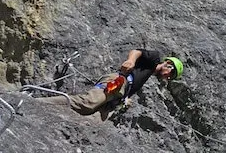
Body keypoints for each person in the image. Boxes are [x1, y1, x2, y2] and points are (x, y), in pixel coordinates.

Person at [42, 49, 182, 118]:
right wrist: (131, 61)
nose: (168, 78)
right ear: (168, 64)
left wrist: (126, 99)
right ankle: (36, 103)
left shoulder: (146, 73)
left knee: (94, 119)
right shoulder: (154, 59)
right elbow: (137, 51)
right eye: (171, 73)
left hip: (119, 92)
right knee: (88, 102)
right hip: (118, 82)